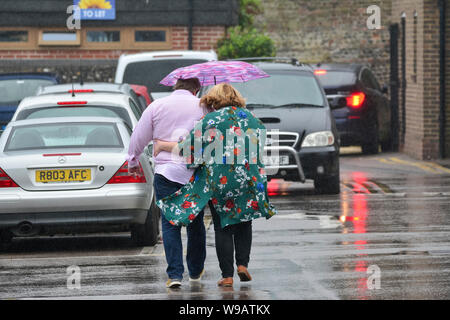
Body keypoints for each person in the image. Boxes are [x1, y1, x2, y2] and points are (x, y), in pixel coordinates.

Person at [154, 83, 277, 287]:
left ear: (213, 101)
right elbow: (260, 145)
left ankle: (227, 275)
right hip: (249, 178)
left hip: (221, 180)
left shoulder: (209, 120)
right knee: (245, 221)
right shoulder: (252, 119)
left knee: (223, 226)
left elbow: (188, 149)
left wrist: (166, 147)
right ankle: (243, 265)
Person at [127, 78, 207, 289]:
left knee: (170, 223)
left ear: (175, 86)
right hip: (194, 174)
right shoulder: (204, 107)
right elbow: (207, 142)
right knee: (195, 222)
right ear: (196, 89)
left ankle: (175, 275)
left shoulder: (157, 106)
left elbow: (139, 136)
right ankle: (196, 270)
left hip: (166, 172)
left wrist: (133, 160)